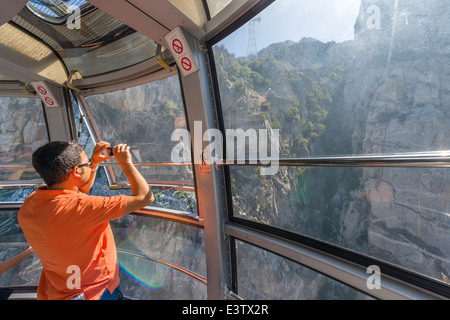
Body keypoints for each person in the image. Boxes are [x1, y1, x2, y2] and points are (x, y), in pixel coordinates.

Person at [18, 140, 154, 300]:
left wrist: (94, 163)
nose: (89, 165)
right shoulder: (83, 208)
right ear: (76, 171)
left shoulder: (31, 203)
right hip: (96, 291)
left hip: (60, 289)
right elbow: (144, 197)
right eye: (87, 163)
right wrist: (126, 163)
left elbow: (76, 192)